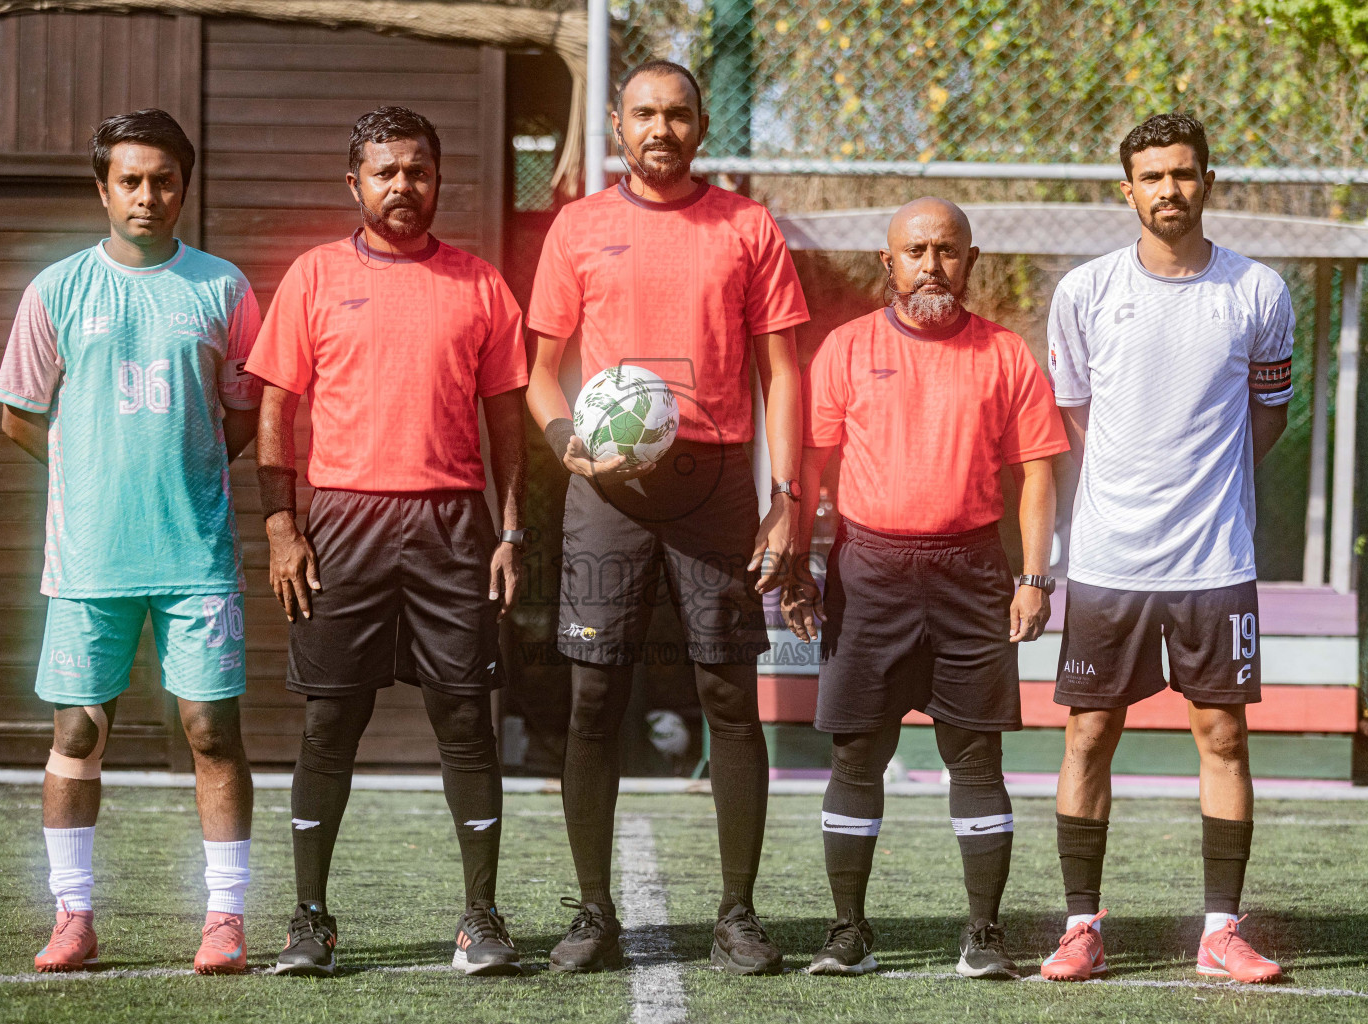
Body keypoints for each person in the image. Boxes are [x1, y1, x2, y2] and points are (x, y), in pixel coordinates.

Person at [526, 60, 810, 975]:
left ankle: (737, 914)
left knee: (729, 692)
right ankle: (594, 914)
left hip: (717, 481)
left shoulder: (746, 226)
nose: (662, 128)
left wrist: (788, 498)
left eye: (678, 114)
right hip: (606, 487)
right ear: (617, 124)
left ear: (700, 125)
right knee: (594, 695)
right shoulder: (579, 227)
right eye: (644, 113)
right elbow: (540, 376)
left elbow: (783, 375)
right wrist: (569, 436)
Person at [247, 107, 528, 977]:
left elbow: (508, 425)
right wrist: (281, 524)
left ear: (438, 180)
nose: (403, 186)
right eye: (386, 172)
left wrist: (511, 530)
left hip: (452, 527)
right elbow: (274, 410)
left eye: (418, 171)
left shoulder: (481, 285)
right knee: (332, 719)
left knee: (464, 724)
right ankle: (309, 921)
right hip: (341, 525)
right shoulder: (315, 277)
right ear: (356, 184)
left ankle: (480, 918)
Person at [0, 109, 261, 974]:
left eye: (165, 179)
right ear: (104, 188)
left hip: (196, 555)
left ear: (187, 185)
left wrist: (186, 475)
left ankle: (225, 918)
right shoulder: (57, 289)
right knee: (78, 732)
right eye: (132, 180)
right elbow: (19, 418)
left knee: (211, 730)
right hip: (89, 559)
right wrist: (89, 470)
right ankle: (74, 916)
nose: (150, 196)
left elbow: (244, 415)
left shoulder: (223, 289)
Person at [782, 198, 1068, 978]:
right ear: (889, 264)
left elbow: (1038, 472)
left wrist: (1035, 577)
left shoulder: (1007, 355)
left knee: (974, 757)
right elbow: (809, 469)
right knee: (857, 754)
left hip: (972, 574)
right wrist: (799, 565)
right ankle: (849, 932)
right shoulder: (844, 350)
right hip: (865, 571)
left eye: (947, 249)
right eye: (916, 251)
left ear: (970, 262)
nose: (931, 264)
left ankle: (983, 934)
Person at [1040, 114, 1291, 984]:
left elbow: (1269, 414)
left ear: (1207, 180)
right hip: (1109, 561)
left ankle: (1221, 930)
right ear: (1127, 190)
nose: (1169, 191)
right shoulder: (1084, 293)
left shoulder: (1257, 291)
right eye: (1151, 177)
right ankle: (1081, 926)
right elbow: (1075, 417)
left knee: (1223, 734)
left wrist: (1205, 489)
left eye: (1183, 174)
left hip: (1216, 561)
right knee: (1088, 735)